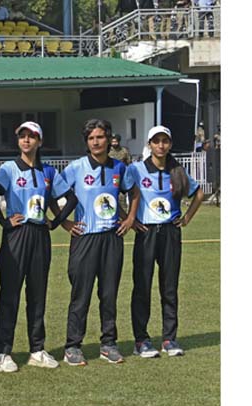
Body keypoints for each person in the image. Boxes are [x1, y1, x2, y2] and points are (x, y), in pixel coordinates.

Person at [0, 121, 77, 372]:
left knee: (37, 295)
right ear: (18, 140)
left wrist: (56, 222)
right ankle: (2, 352)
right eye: (22, 136)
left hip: (40, 235)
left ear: (39, 141)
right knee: (10, 295)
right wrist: (4, 222)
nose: (27, 140)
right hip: (16, 235)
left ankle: (37, 349)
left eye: (32, 136)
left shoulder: (48, 171)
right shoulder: (9, 168)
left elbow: (70, 197)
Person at [57, 120, 140, 366]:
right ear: (87, 142)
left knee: (109, 293)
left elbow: (133, 192)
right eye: (91, 138)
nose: (96, 142)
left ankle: (108, 344)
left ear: (108, 139)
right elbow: (53, 192)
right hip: (84, 238)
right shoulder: (76, 167)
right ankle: (73, 346)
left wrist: (131, 218)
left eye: (100, 137)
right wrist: (65, 223)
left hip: (112, 238)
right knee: (80, 295)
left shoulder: (119, 167)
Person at [127, 125, 204, 358]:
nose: (161, 145)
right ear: (149, 144)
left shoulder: (177, 170)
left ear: (169, 144)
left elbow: (198, 193)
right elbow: (118, 189)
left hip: (170, 232)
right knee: (142, 286)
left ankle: (169, 338)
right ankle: (141, 340)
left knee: (169, 287)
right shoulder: (136, 169)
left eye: (165, 141)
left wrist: (187, 217)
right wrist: (129, 218)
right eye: (156, 141)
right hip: (146, 232)